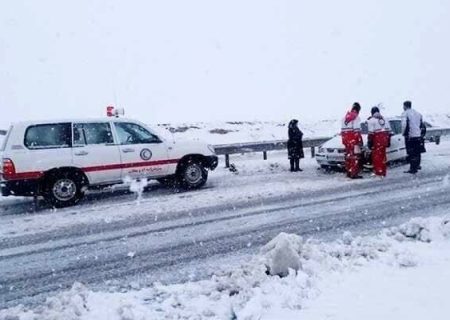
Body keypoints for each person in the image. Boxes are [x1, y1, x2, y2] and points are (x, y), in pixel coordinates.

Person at [341, 102, 363, 179]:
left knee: (348, 156)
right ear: (358, 110)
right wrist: (359, 141)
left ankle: (348, 172)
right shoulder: (356, 118)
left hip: (346, 139)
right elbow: (357, 131)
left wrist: (344, 140)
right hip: (353, 139)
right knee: (355, 157)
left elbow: (342, 131)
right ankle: (354, 173)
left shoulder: (344, 118)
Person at [367, 107, 391, 177]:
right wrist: (388, 141)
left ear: (372, 113)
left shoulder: (371, 120)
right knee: (383, 156)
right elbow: (389, 132)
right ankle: (383, 171)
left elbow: (370, 133)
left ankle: (378, 172)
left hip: (376, 141)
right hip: (384, 140)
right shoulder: (385, 119)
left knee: (377, 157)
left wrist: (369, 142)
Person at [401, 100, 424, 174]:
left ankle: (413, 168)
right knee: (417, 151)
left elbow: (404, 125)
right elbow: (421, 125)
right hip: (418, 135)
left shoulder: (405, 113)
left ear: (405, 106)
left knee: (411, 152)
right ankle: (417, 165)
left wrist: (404, 133)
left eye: (403, 106)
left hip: (410, 135)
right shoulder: (418, 113)